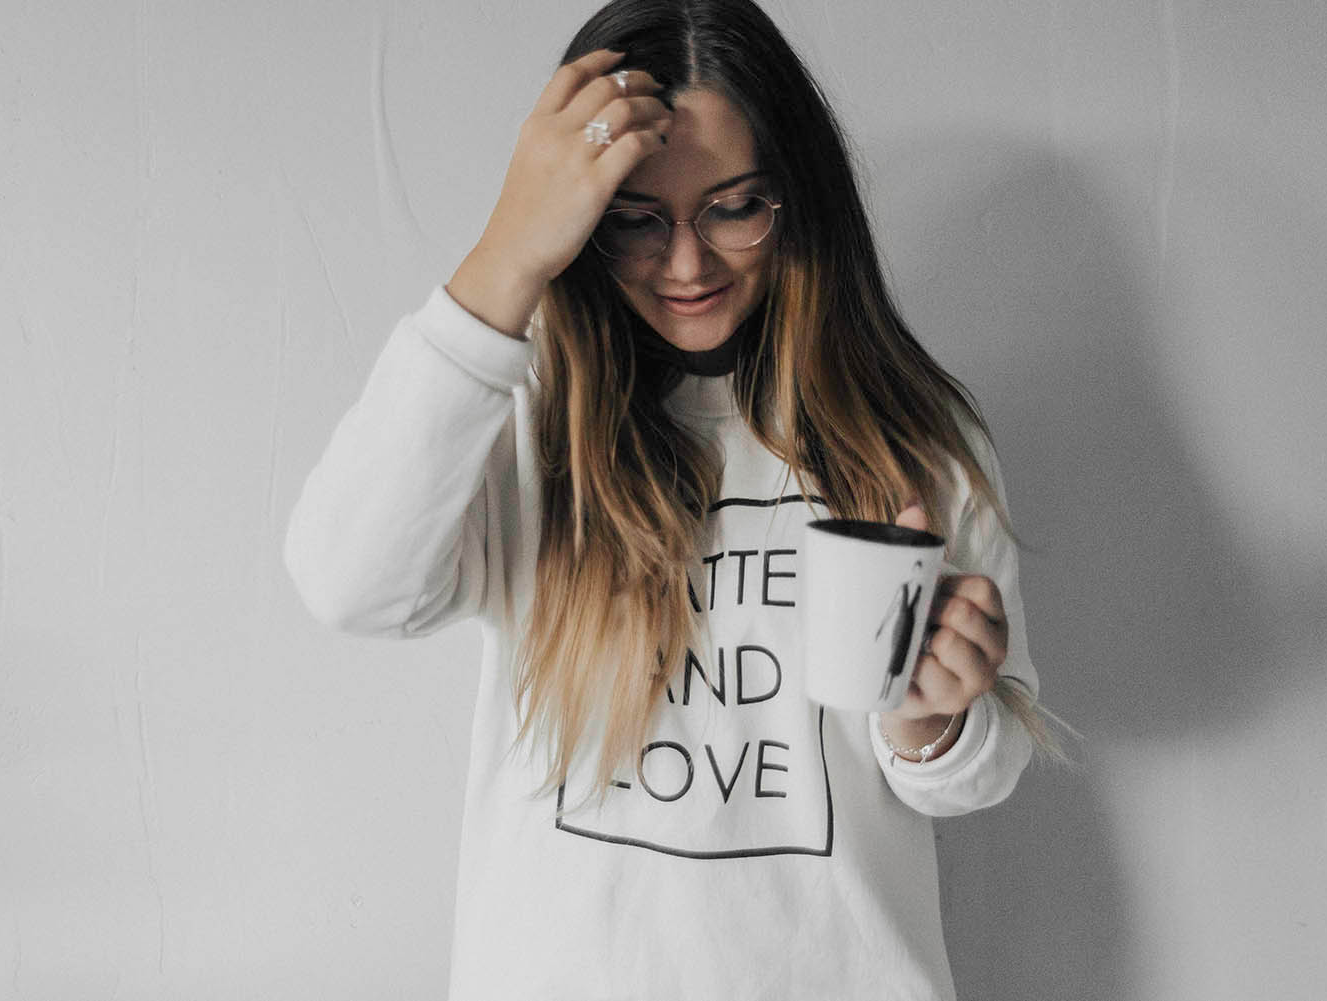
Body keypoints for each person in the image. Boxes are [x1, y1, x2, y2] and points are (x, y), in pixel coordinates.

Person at [284, 1, 1053, 997]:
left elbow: (982, 772)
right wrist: (508, 254)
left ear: (798, 197)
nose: (687, 263)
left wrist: (931, 721)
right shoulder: (523, 414)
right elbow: (347, 580)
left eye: (735, 207)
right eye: (637, 221)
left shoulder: (911, 435)